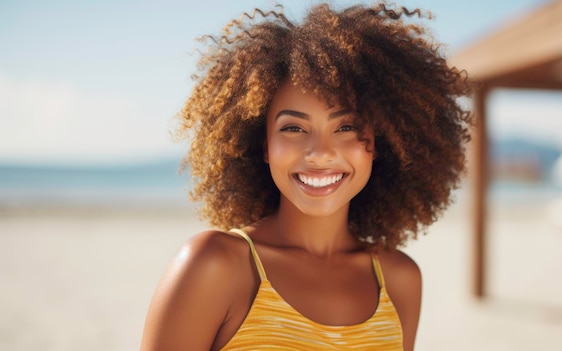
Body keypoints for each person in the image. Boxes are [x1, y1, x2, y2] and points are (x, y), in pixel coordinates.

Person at [140, 2, 472, 350]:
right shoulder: (214, 265)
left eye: (345, 126)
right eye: (294, 128)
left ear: (378, 143)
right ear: (264, 145)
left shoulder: (400, 280)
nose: (321, 152)